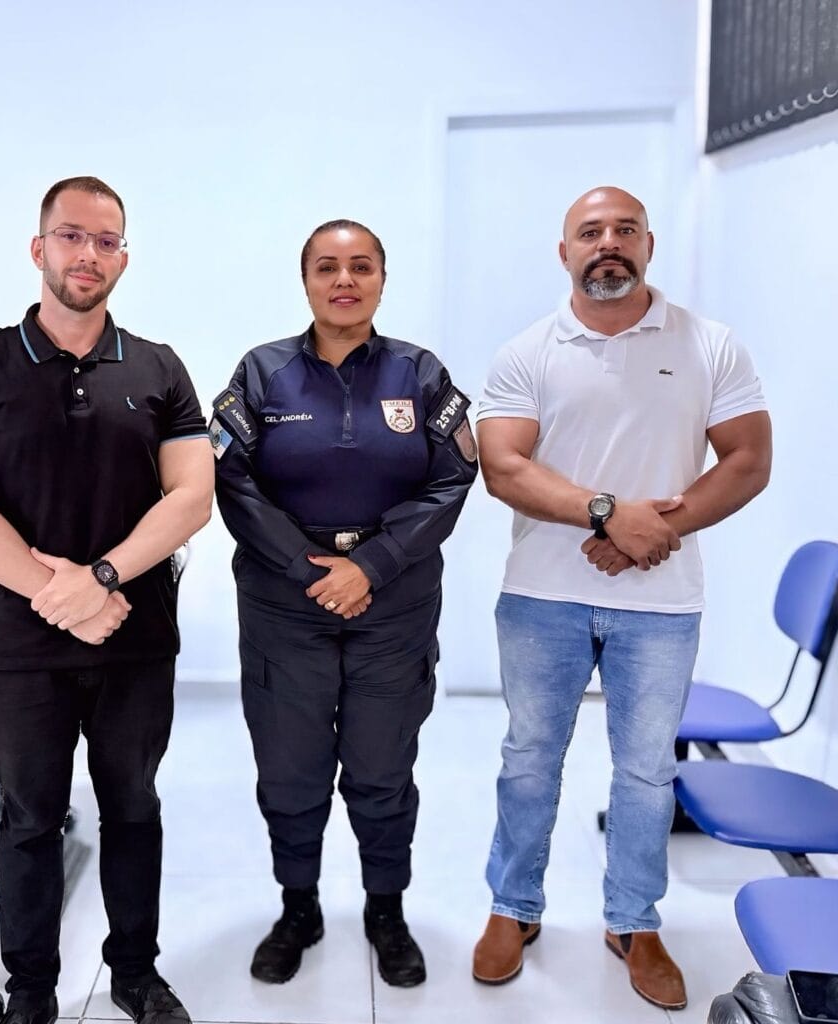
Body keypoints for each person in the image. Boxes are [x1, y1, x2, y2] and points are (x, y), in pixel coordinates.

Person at [471, 186, 771, 1011]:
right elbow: (504, 467)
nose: (608, 241)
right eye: (590, 231)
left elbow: (747, 460)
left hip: (662, 602)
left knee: (645, 773)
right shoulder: (527, 351)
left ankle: (634, 922)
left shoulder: (710, 344)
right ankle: (513, 906)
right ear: (564, 251)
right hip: (542, 595)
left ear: (648, 245)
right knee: (529, 760)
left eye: (624, 229)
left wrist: (654, 530)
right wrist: (609, 514)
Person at [0, 176, 213, 1024]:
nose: (89, 254)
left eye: (106, 240)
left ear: (124, 257)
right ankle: (32, 990)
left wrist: (103, 580)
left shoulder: (159, 368)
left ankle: (135, 975)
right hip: (20, 645)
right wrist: (62, 594)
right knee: (29, 819)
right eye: (72, 236)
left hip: (134, 635)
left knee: (133, 808)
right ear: (39, 248)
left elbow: (191, 497)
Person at [212, 219, 478, 988]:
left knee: (382, 768)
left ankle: (385, 911)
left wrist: (372, 564)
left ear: (382, 280)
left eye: (361, 266)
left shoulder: (420, 373)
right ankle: (298, 908)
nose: (344, 280)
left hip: (393, 607)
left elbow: (454, 477)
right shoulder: (261, 372)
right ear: (306, 281)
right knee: (290, 769)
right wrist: (309, 568)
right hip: (283, 606)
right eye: (327, 267)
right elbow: (231, 478)